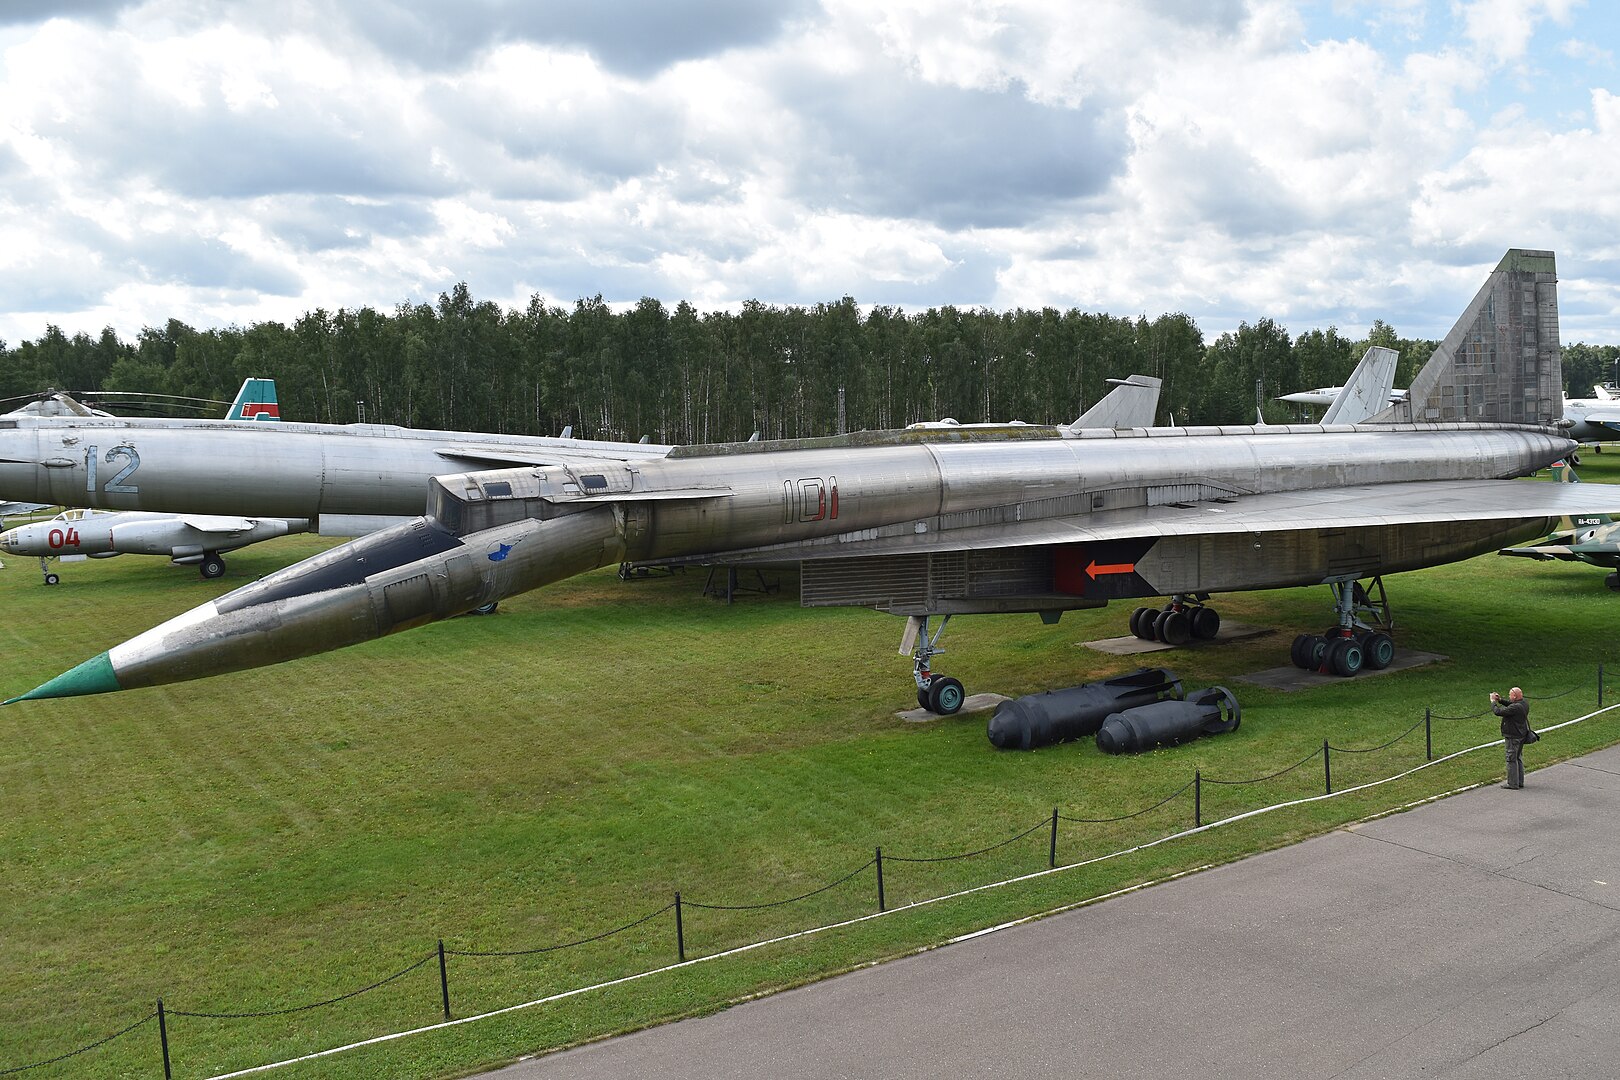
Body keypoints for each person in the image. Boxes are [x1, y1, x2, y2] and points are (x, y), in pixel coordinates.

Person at [1490, 686, 1530, 789]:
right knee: (1518, 758)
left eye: (1510, 695)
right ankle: (1519, 781)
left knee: (1511, 759)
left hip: (1513, 736)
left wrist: (1493, 702)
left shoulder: (1515, 708)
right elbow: (1511, 705)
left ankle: (1512, 783)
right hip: (1521, 735)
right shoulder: (1524, 704)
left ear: (1515, 696)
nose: (1509, 696)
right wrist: (1500, 700)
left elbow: (1498, 712)